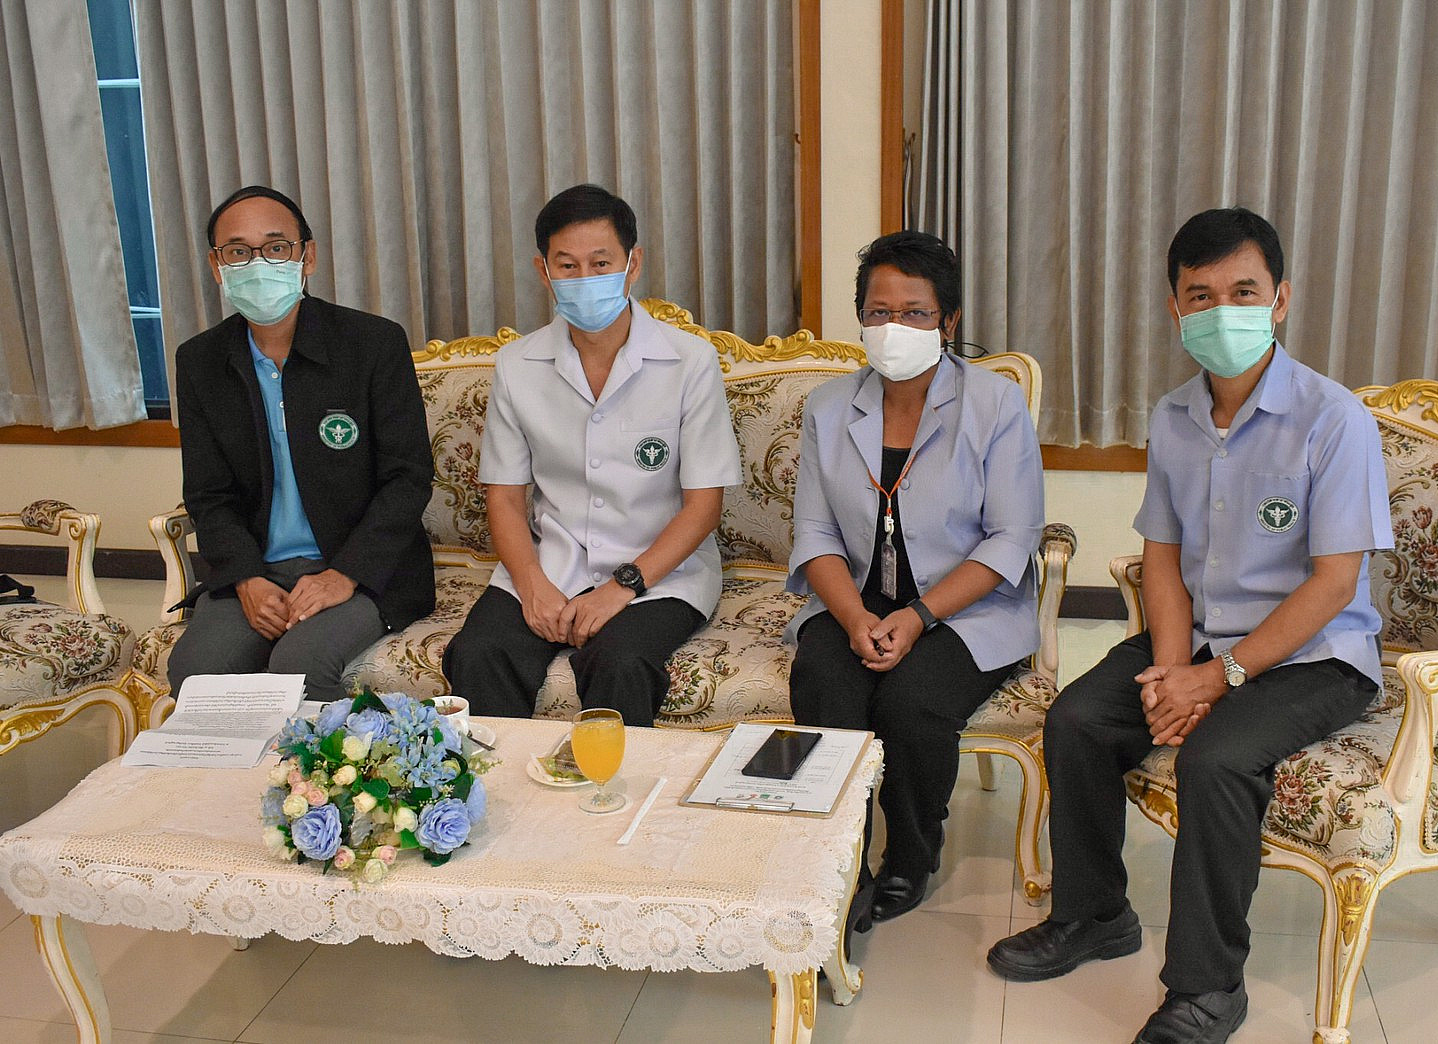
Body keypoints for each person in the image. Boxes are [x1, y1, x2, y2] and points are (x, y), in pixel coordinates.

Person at [987, 208, 1393, 1044]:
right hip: (1203, 636)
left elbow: (1333, 584)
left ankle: (1208, 989)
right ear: (1175, 308)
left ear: (1280, 299)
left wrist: (1218, 679)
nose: (1221, 312)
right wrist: (1174, 671)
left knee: (1216, 760)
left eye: (1243, 292)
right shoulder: (1173, 416)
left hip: (1316, 654)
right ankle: (1094, 915)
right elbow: (1163, 561)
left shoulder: (1333, 418)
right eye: (1200, 296)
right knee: (1077, 720)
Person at [787, 230, 1046, 929]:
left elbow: (1012, 537)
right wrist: (853, 619)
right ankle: (838, 859)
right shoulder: (829, 408)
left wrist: (920, 616)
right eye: (879, 311)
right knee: (826, 682)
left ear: (948, 321)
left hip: (965, 605)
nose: (893, 327)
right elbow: (815, 534)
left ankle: (909, 855)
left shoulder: (994, 406)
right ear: (860, 317)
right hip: (858, 596)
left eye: (915, 312)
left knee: (911, 700)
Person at [442, 184, 741, 726]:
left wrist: (621, 589)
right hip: (551, 563)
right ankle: (508, 784)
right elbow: (504, 498)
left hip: (660, 575)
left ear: (633, 264)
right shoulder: (517, 364)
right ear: (544, 271)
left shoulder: (690, 361)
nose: (585, 279)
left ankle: (613, 786)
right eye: (568, 265)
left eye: (601, 263)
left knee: (620, 661)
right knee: (478, 653)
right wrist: (532, 586)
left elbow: (703, 507)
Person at [167, 185, 436, 701]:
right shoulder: (201, 360)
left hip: (360, 568)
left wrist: (344, 574)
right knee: (197, 672)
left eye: (276, 247)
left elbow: (408, 478)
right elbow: (208, 493)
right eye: (238, 251)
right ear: (217, 266)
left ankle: (330, 759)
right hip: (258, 570)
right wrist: (246, 579)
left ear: (306, 256)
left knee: (298, 663)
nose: (258, 264)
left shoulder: (372, 343)